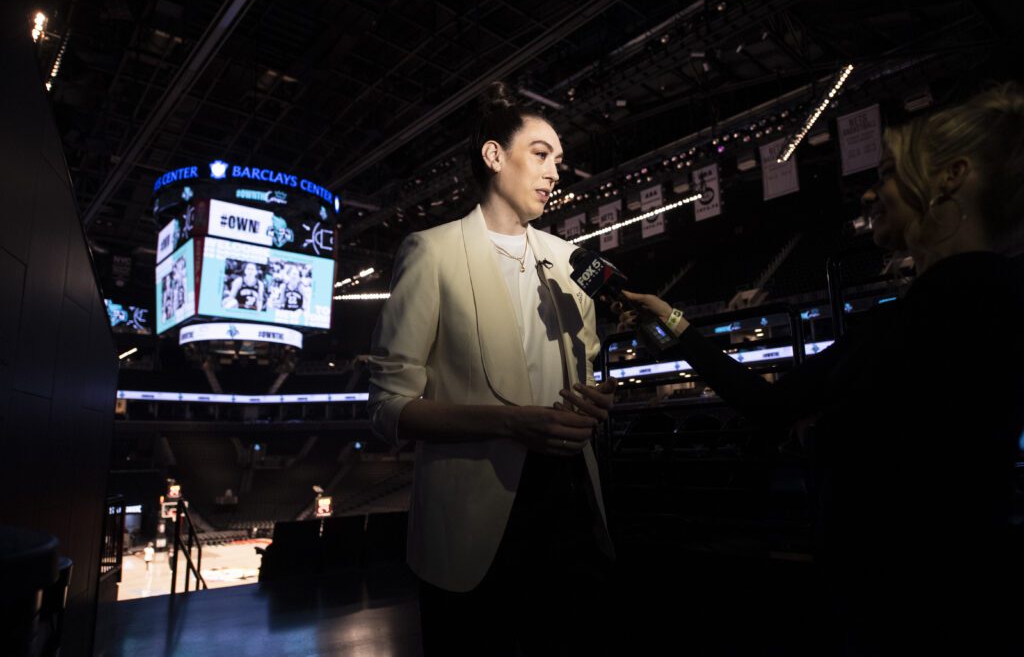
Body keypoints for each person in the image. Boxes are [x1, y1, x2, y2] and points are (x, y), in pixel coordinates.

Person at [619, 83, 1024, 653]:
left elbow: (768, 405)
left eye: (885, 171)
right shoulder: (995, 299)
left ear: (950, 177)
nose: (868, 194)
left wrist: (677, 325)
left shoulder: (912, 322)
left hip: (893, 607)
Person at [368, 82, 616, 656]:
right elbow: (387, 409)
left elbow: (589, 368)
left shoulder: (571, 260)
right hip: (472, 535)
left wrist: (598, 401)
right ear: (494, 155)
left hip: (572, 513)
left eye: (559, 158)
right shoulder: (431, 253)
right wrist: (508, 424)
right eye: (542, 153)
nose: (556, 170)